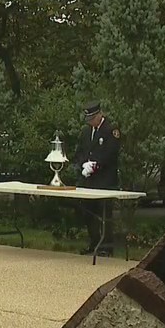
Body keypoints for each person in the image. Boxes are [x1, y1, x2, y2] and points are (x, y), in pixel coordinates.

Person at [73, 101, 122, 256]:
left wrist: (96, 164)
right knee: (89, 213)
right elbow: (80, 151)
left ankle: (106, 247)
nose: (91, 122)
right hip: (89, 180)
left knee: (105, 214)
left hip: (105, 180)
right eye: (89, 119)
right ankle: (94, 243)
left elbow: (111, 152)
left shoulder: (111, 130)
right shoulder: (86, 132)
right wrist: (83, 164)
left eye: (93, 118)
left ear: (100, 114)